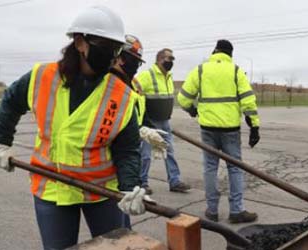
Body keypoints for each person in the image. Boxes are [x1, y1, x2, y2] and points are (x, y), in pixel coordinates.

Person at [0, 6, 149, 249]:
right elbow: (9, 104)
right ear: (80, 42)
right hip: (52, 189)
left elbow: (128, 149)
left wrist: (130, 188)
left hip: (102, 192)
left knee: (119, 246)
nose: (113, 56)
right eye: (106, 47)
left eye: (117, 49)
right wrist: (2, 143)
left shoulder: (120, 94)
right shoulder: (41, 76)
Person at [177, 39, 260, 224]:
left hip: (208, 128)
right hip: (230, 129)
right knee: (235, 168)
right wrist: (254, 125)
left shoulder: (201, 70)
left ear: (214, 51)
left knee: (210, 167)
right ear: (230, 54)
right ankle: (237, 211)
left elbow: (183, 98)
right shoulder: (235, 70)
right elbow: (248, 99)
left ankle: (212, 210)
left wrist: (192, 110)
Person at [136, 48, 190, 194]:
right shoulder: (147, 75)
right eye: (169, 59)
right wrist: (142, 120)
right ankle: (142, 183)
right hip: (149, 122)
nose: (171, 62)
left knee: (169, 151)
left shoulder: (168, 77)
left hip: (164, 122)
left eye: (172, 59)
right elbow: (135, 94)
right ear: (159, 59)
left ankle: (175, 181)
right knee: (145, 155)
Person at [110, 35, 168, 167]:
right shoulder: (109, 85)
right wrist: (138, 130)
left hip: (130, 151)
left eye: (138, 62)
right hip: (114, 156)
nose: (136, 66)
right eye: (133, 60)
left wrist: (149, 130)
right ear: (119, 58)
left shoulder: (133, 84)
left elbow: (139, 110)